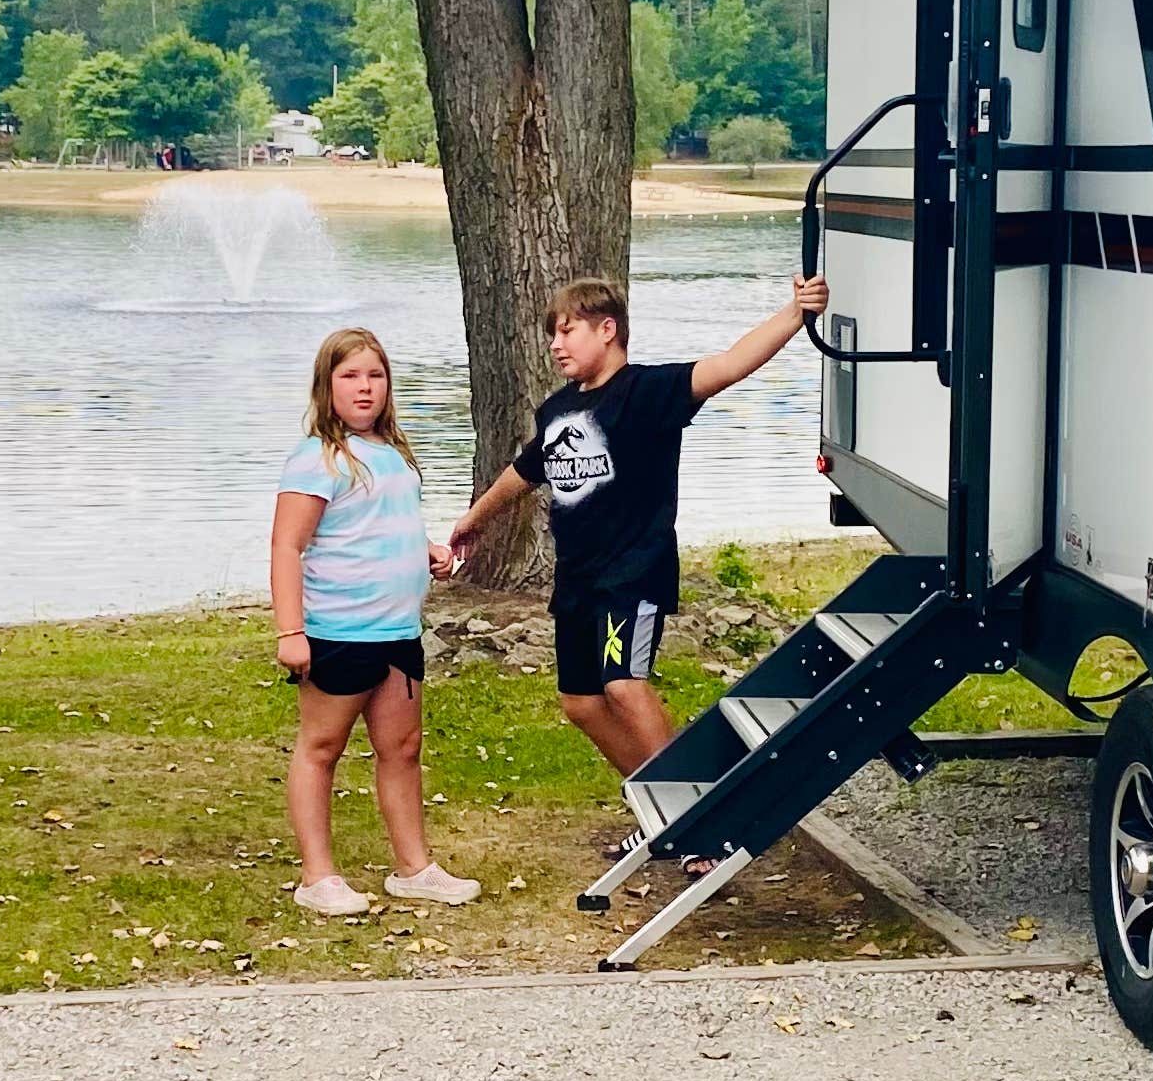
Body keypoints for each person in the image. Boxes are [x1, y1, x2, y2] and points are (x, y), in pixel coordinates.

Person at [447, 269, 829, 803]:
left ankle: (698, 813)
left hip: (633, 572)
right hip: (578, 580)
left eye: (567, 331)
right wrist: (475, 520)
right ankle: (659, 802)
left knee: (623, 685)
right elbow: (525, 469)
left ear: (607, 330)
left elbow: (730, 364)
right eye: (552, 334)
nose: (556, 345)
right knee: (580, 703)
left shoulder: (650, 392)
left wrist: (795, 313)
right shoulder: (559, 408)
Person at [271, 328, 478, 920]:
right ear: (326, 386)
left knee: (403, 748)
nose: (364, 388)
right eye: (350, 376)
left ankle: (414, 868)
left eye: (375, 376)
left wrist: (427, 550)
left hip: (397, 635)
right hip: (337, 632)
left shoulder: (393, 455)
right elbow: (288, 546)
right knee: (322, 747)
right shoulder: (316, 458)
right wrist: (292, 632)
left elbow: (384, 526)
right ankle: (318, 877)